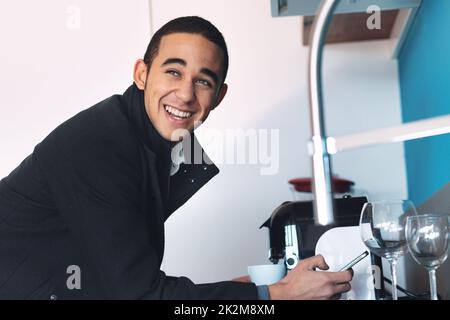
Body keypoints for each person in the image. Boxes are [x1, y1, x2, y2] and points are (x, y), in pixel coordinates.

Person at [0, 16, 352, 300]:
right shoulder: (98, 146)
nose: (185, 94)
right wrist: (273, 296)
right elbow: (140, 294)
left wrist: (246, 293)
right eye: (173, 71)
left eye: (203, 81)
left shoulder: (160, 147)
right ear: (142, 74)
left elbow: (123, 279)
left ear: (219, 96)